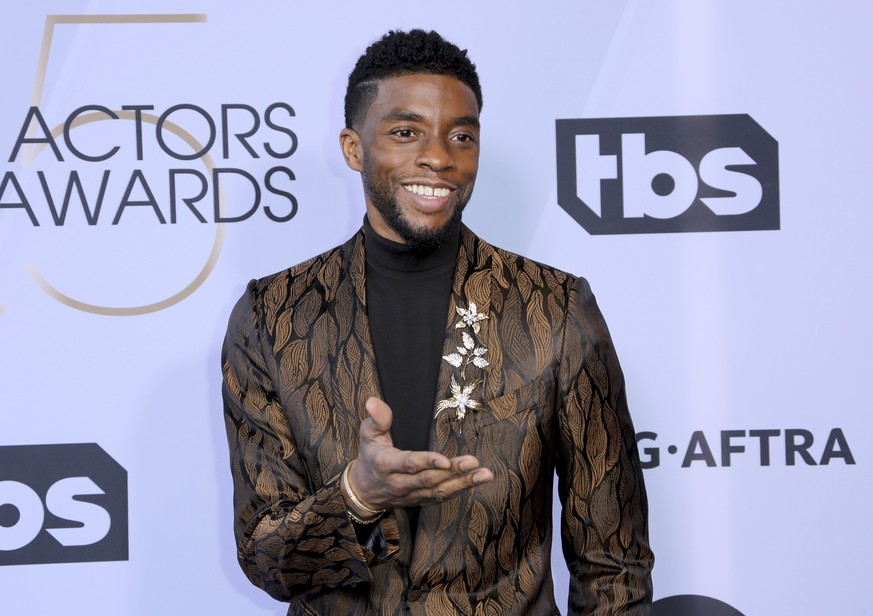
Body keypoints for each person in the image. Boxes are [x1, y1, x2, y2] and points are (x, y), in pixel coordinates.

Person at [222, 29, 653, 615]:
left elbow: (614, 566)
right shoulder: (272, 316)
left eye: (462, 136)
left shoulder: (555, 308)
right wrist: (359, 495)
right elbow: (267, 559)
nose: (439, 157)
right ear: (354, 149)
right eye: (405, 132)